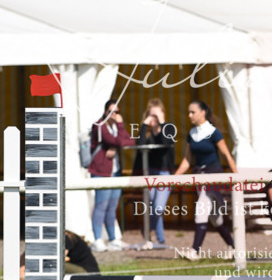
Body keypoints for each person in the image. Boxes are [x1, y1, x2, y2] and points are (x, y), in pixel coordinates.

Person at [174, 100, 237, 259]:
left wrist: (237, 178)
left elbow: (226, 155)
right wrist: (173, 178)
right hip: (199, 178)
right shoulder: (191, 133)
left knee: (201, 211)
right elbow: (187, 160)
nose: (189, 115)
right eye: (188, 112)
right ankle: (234, 247)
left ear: (203, 112)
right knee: (215, 218)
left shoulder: (214, 132)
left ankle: (195, 251)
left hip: (213, 177)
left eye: (192, 112)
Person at [87, 99, 135, 253]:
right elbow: (116, 141)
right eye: (111, 112)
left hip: (115, 172)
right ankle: (97, 239)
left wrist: (116, 143)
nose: (114, 115)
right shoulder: (99, 126)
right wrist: (117, 141)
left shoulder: (116, 127)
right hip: (101, 172)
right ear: (105, 112)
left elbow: (129, 141)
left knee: (112, 207)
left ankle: (113, 239)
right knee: (101, 205)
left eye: (117, 112)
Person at [132, 98, 176, 249]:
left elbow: (165, 143)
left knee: (158, 207)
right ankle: (161, 240)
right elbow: (140, 145)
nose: (154, 119)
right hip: (149, 172)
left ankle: (146, 232)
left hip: (165, 173)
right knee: (152, 205)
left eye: (156, 115)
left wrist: (162, 123)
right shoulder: (147, 132)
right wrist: (145, 124)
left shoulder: (169, 128)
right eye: (152, 115)